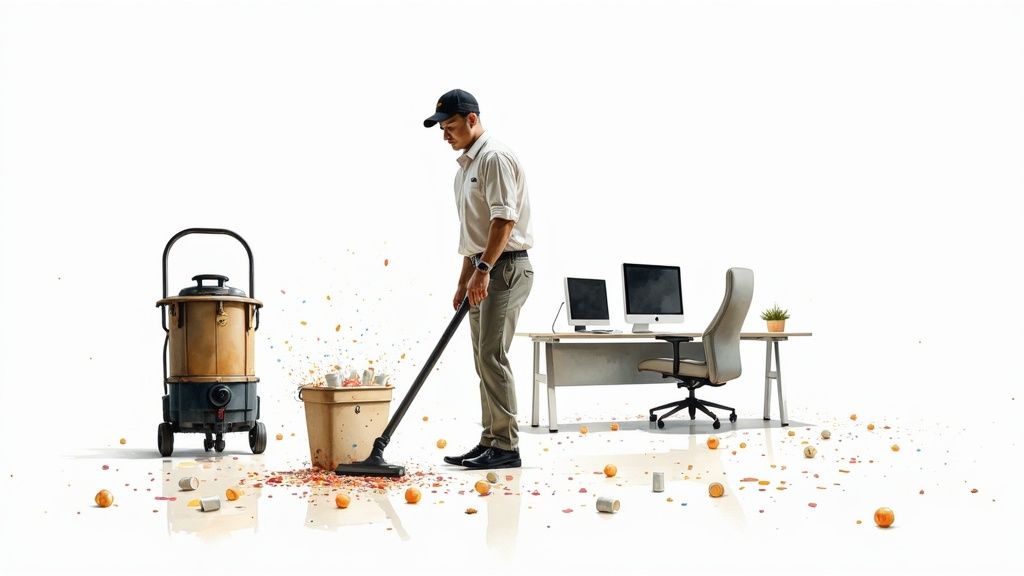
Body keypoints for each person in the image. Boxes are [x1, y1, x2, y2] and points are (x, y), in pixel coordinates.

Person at [423, 89, 534, 469]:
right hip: (484, 268)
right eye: (442, 128)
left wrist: (483, 271)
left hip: (505, 268)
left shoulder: (495, 158)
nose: (445, 135)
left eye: (450, 126)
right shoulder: (466, 168)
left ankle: (506, 447)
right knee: (481, 358)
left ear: (472, 120)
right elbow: (475, 234)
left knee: (492, 355)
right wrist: (463, 279)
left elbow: (504, 221)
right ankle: (490, 439)